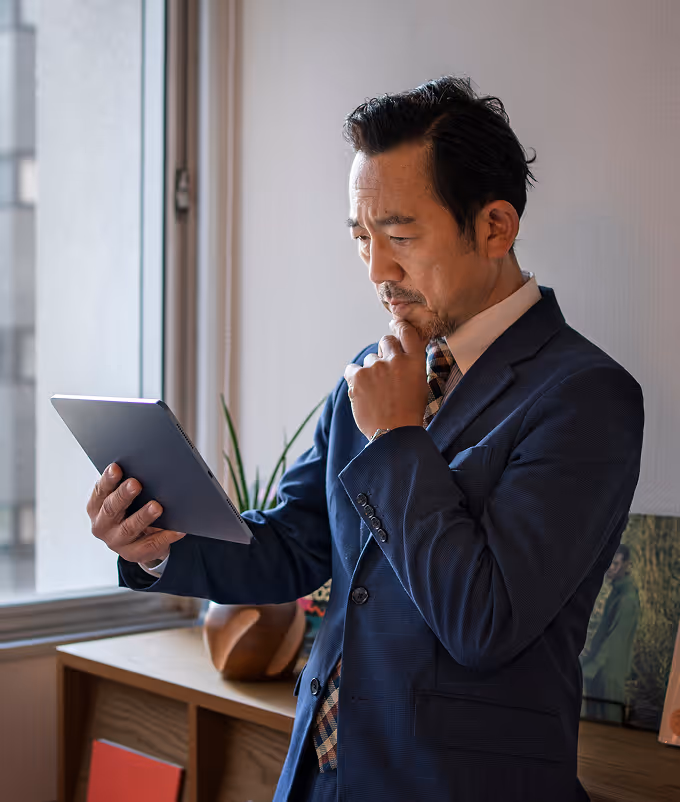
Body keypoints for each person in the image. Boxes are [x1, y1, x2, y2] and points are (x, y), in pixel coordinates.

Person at [86, 76, 644, 802]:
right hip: (322, 779)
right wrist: (157, 545)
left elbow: (486, 620)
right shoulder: (372, 375)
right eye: (361, 238)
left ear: (496, 227)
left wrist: (396, 437)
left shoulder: (585, 396)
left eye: (401, 236)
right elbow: (292, 546)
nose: (378, 271)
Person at [581, 544, 641, 723]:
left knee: (610, 723)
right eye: (609, 563)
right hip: (603, 670)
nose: (609, 569)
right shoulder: (617, 593)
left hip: (609, 674)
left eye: (615, 564)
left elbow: (613, 643)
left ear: (626, 565)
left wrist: (588, 668)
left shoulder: (627, 599)